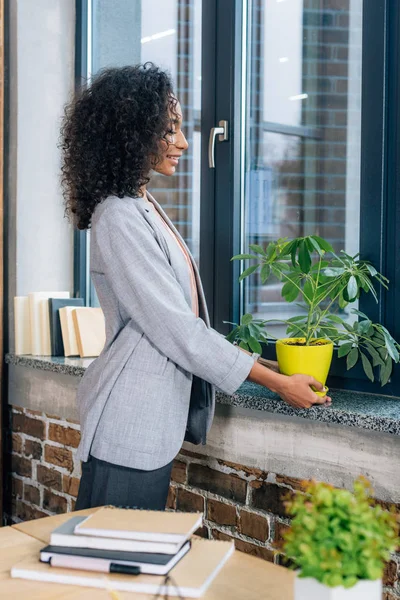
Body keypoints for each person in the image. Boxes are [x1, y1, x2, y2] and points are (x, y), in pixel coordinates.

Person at [60, 64, 331, 511]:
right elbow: (178, 329)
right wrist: (277, 383)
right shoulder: (118, 217)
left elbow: (184, 320)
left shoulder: (140, 203)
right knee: (112, 567)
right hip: (128, 424)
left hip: (146, 423)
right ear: (131, 134)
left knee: (127, 565)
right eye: (170, 131)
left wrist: (272, 366)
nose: (183, 142)